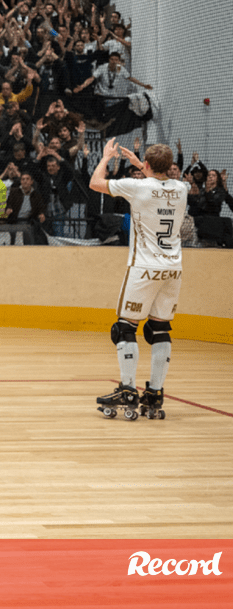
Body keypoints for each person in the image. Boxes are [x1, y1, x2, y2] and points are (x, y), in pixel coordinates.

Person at [89, 140, 185, 421]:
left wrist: (107, 157)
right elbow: (162, 181)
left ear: (145, 166)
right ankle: (155, 392)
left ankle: (128, 389)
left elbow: (96, 182)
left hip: (144, 268)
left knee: (124, 328)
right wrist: (142, 165)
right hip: (173, 270)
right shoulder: (182, 189)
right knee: (159, 329)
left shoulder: (138, 187)